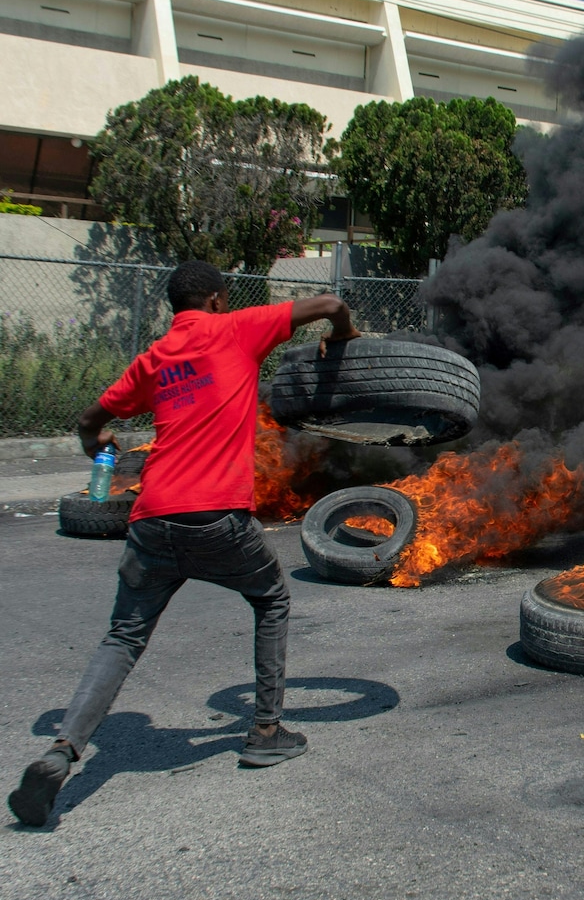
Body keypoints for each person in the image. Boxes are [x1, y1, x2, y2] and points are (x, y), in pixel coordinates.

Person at [8, 260, 360, 827]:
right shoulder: (236, 328)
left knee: (122, 637)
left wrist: (95, 443)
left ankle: (61, 751)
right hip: (218, 517)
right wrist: (344, 336)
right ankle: (266, 731)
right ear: (219, 300)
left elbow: (90, 417)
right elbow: (327, 304)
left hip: (151, 521)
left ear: (177, 306)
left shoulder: (154, 359)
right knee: (271, 599)